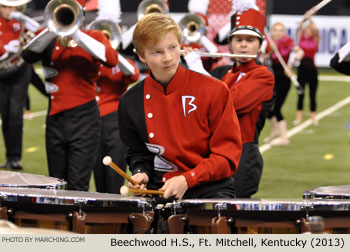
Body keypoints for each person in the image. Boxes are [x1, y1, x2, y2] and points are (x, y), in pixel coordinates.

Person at [118, 13, 242, 200]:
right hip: (158, 190)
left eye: (173, 48)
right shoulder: (130, 101)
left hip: (209, 190)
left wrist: (188, 179)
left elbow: (227, 157)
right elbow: (138, 152)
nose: (168, 58)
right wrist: (141, 171)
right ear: (142, 56)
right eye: (157, 52)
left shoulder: (215, 90)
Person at [21, 0, 118, 191]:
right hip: (55, 120)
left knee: (77, 185)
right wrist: (51, 29)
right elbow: (28, 55)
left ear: (80, 12)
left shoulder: (94, 36)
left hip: (85, 120)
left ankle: (78, 221)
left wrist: (77, 33)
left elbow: (111, 59)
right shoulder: (50, 40)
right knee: (55, 183)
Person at [184, 0, 275, 198]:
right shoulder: (221, 72)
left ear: (260, 45)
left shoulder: (263, 75)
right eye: (238, 39)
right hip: (213, 155)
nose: (243, 45)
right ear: (230, 43)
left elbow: (229, 102)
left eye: (250, 40)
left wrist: (198, 69)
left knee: (235, 218)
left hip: (242, 155)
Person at [92, 0, 140, 194]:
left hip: (114, 121)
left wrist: (111, 52)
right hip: (92, 121)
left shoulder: (121, 63)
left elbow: (134, 75)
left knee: (114, 173)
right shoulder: (90, 61)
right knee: (97, 172)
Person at [0, 0, 40, 170]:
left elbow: (38, 31)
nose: (9, 10)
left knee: (16, 114)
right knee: (5, 114)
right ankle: (9, 155)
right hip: (2, 72)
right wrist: (4, 49)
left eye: (11, 6)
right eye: (5, 6)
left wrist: (20, 16)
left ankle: (15, 157)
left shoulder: (22, 20)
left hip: (20, 72)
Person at [264, 22, 304, 146]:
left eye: (281, 30)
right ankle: (275, 131)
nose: (278, 33)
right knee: (267, 107)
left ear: (284, 32)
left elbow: (300, 53)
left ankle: (284, 138)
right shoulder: (269, 43)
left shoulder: (288, 42)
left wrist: (290, 65)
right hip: (272, 78)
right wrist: (270, 50)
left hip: (284, 79)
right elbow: (264, 58)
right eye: (276, 30)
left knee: (277, 109)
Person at [294, 11, 320, 126]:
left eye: (311, 30)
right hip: (302, 69)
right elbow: (300, 27)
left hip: (312, 70)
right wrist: (306, 17)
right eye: (307, 29)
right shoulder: (301, 38)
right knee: (301, 94)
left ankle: (313, 117)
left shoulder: (315, 39)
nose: (309, 31)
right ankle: (298, 118)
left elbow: (316, 30)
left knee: (312, 94)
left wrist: (310, 19)